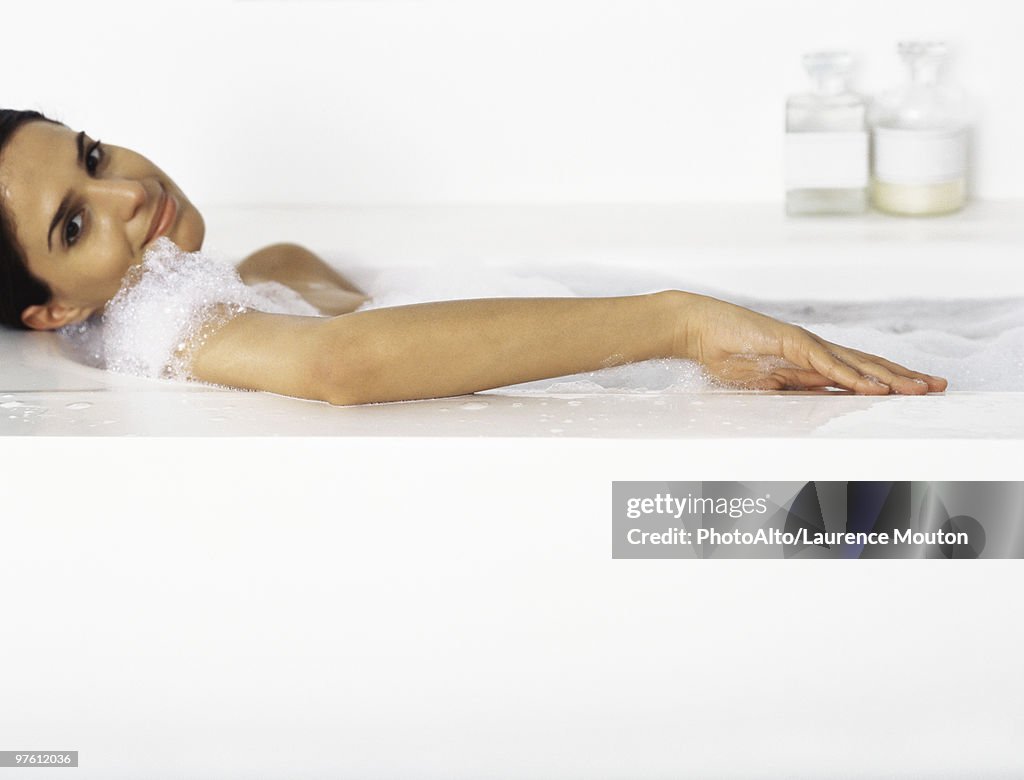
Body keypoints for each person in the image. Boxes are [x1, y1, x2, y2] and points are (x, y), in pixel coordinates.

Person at [0, 108, 947, 405]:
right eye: (75, 226)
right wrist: (681, 320)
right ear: (50, 310)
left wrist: (291, 278)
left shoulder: (159, 303)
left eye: (91, 157)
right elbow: (337, 364)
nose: (128, 192)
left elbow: (295, 272)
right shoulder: (154, 330)